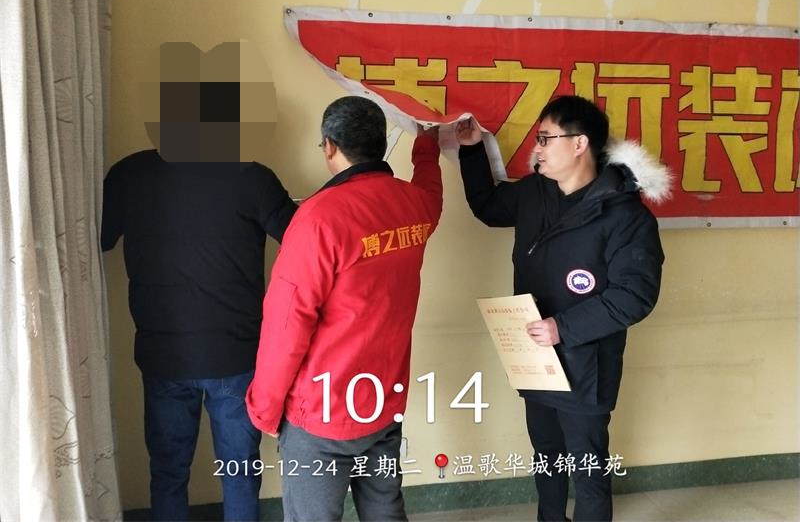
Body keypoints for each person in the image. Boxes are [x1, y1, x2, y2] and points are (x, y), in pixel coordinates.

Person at [101, 42, 297, 521]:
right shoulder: (253, 177)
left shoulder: (128, 175)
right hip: (236, 353)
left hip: (163, 354)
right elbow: (302, 240)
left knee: (168, 471)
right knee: (239, 470)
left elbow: (97, 240)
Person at [455, 95, 668, 522]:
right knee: (546, 455)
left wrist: (562, 328)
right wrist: (472, 149)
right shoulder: (535, 193)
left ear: (579, 143)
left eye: (545, 138)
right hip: (535, 358)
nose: (537, 148)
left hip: (586, 363)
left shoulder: (625, 215)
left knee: (588, 469)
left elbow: (635, 295)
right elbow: (488, 206)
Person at [245, 96, 443, 522]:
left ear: (330, 146)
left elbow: (287, 324)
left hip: (321, 414)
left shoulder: (318, 218)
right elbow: (432, 192)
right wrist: (427, 146)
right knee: (385, 513)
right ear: (379, 143)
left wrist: (264, 408)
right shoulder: (414, 205)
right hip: (382, 401)